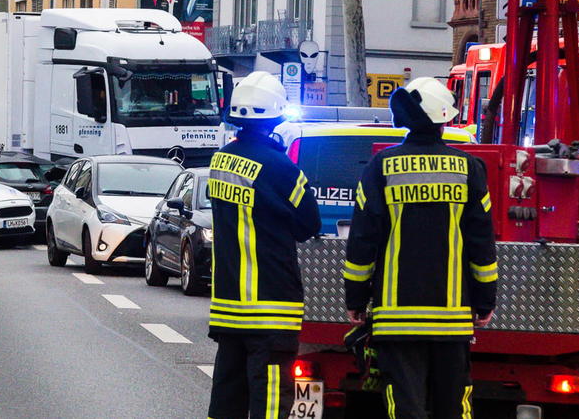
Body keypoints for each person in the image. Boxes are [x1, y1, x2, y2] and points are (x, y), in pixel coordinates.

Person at [345, 77, 497, 419]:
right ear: (444, 119)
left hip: (397, 319)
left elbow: (363, 241)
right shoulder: (469, 169)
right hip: (452, 320)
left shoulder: (380, 168)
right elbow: (481, 243)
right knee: (453, 406)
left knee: (405, 406)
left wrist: (356, 298)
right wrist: (485, 300)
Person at [208, 72, 321, 419]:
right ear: (276, 117)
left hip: (228, 305)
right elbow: (309, 226)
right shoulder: (281, 167)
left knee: (228, 392)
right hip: (271, 307)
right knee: (270, 398)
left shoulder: (220, 160)